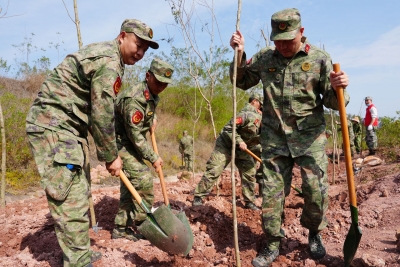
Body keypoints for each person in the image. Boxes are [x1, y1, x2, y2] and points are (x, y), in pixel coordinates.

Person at [26, 19, 159, 267]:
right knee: (71, 197)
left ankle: (79, 256)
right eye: (137, 45)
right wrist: (111, 156)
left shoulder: (108, 58)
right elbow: (102, 113)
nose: (140, 53)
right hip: (55, 126)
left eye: (145, 50)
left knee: (79, 191)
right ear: (122, 37)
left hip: (68, 128)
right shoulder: (110, 64)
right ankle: (78, 262)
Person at [229, 8, 350, 266]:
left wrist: (340, 88)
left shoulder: (320, 59)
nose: (283, 45)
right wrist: (239, 54)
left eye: (289, 40)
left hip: (310, 140)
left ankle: (314, 233)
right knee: (272, 195)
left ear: (302, 33)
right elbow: (240, 81)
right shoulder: (265, 58)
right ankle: (272, 242)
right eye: (278, 40)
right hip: (274, 139)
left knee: (315, 194)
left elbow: (332, 101)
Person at [112, 58, 174, 241]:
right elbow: (135, 135)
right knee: (144, 180)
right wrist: (153, 157)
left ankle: (120, 228)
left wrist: (152, 119)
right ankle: (144, 224)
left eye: (165, 83)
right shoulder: (134, 98)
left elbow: (145, 116)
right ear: (148, 76)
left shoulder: (152, 95)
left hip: (131, 141)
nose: (162, 86)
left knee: (129, 187)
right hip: (120, 143)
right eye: (159, 81)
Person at [193, 94, 263, 210]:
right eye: (260, 108)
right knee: (214, 170)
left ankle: (249, 202)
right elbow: (228, 128)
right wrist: (239, 141)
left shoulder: (264, 127)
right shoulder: (247, 115)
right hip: (225, 146)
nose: (261, 111)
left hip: (242, 150)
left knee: (249, 171)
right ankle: (198, 197)